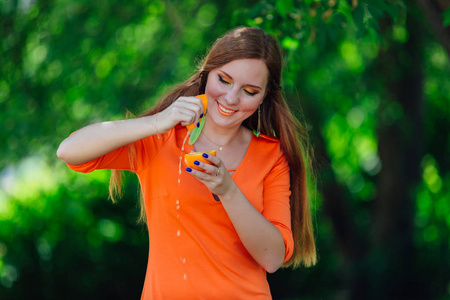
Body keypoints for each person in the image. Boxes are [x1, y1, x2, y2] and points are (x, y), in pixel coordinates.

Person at [57, 27, 317, 299]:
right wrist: (157, 122)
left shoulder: (272, 157)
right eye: (224, 80)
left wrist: (228, 190)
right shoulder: (162, 139)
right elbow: (69, 150)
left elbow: (273, 258)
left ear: (264, 97)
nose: (230, 98)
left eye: (249, 91)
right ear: (207, 74)